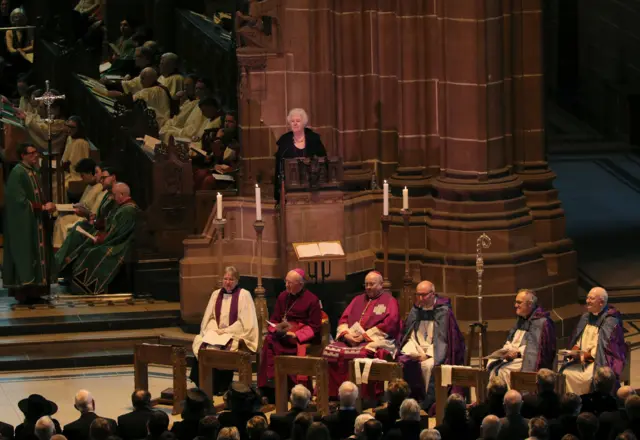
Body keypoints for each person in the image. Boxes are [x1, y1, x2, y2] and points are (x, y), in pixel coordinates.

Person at [323, 271, 400, 400]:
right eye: (366, 284)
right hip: (351, 338)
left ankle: (364, 396)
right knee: (329, 352)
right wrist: (346, 334)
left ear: (381, 285)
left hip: (375, 339)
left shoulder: (390, 301)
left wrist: (364, 336)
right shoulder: (357, 299)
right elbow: (344, 319)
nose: (368, 287)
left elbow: (390, 323)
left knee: (363, 354)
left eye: (372, 284)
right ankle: (333, 394)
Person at [55, 182, 138, 295]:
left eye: (114, 195)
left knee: (90, 252)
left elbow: (118, 234)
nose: (112, 198)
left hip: (120, 246)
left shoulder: (128, 210)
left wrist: (102, 239)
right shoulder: (122, 207)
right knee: (86, 244)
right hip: (114, 240)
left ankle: (85, 287)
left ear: (122, 194)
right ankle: (73, 281)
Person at [190, 266, 259, 393]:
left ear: (237, 281)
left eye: (231, 279)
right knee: (201, 342)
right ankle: (203, 383)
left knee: (224, 348)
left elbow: (245, 322)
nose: (227, 282)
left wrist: (227, 331)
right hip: (216, 333)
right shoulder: (216, 294)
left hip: (233, 334)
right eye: (225, 279)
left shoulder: (244, 295)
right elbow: (209, 317)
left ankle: (222, 384)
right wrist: (214, 330)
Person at [257, 269, 322, 403]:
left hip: (299, 336)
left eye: (290, 283)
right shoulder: (282, 296)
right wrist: (275, 328)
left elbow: (315, 326)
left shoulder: (312, 300)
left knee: (284, 346)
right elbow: (274, 318)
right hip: (282, 333)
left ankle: (292, 389)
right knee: (269, 340)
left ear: (301, 284)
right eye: (286, 282)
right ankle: (269, 387)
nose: (286, 285)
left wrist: (296, 334)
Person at [398, 281, 465, 410]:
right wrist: (414, 351)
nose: (420, 298)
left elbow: (444, 338)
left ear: (433, 294)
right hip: (417, 350)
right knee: (404, 362)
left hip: (435, 352)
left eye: (424, 295)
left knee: (428, 367)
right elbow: (409, 334)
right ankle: (409, 403)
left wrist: (427, 354)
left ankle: (428, 403)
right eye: (418, 295)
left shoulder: (443, 311)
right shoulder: (416, 310)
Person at [4, 143, 56, 303]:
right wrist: (40, 207)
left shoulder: (34, 171)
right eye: (32, 153)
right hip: (24, 223)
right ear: (23, 156)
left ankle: (36, 292)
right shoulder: (17, 173)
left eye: (36, 153)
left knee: (38, 251)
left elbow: (39, 195)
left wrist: (47, 205)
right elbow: (18, 201)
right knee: (25, 252)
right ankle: (25, 292)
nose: (36, 156)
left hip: (37, 220)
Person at [561, 287, 626, 395]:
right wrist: (573, 351)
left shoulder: (610, 321)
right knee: (565, 372)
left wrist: (583, 356)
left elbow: (607, 350)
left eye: (591, 299)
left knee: (586, 378)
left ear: (601, 302)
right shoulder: (585, 317)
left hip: (597, 360)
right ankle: (572, 403)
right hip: (583, 358)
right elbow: (577, 339)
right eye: (587, 298)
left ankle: (586, 405)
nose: (587, 301)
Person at [487, 289, 556, 387]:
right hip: (513, 358)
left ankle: (512, 400)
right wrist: (507, 351)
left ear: (530, 304)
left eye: (519, 303)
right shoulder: (521, 319)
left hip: (526, 360)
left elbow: (542, 351)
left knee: (503, 371)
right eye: (515, 302)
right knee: (492, 365)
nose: (515, 305)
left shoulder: (542, 323)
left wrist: (518, 353)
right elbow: (511, 340)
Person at [273, 108, 327, 203]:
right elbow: (278, 167)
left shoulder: (314, 139)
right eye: (292, 121)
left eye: (298, 121)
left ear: (304, 123)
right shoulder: (284, 142)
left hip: (312, 186)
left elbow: (324, 160)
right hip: (290, 188)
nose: (295, 123)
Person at [53, 159, 106, 249]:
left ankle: (64, 250)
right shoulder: (90, 185)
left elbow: (94, 213)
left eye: (83, 175)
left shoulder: (100, 187)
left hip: (88, 220)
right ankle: (59, 249)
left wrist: (84, 212)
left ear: (90, 173)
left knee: (63, 221)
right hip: (81, 215)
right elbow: (81, 204)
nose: (82, 178)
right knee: (61, 218)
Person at [193, 111, 239, 191]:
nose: (227, 124)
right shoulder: (225, 135)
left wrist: (218, 139)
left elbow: (224, 158)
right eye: (226, 121)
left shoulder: (236, 139)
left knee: (208, 180)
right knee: (199, 173)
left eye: (230, 122)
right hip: (218, 170)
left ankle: (204, 202)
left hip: (230, 175)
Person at [159, 78, 213, 143]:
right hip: (185, 131)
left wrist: (178, 131)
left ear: (208, 90)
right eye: (196, 88)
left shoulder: (207, 106)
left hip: (190, 136)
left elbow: (194, 130)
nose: (197, 91)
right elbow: (180, 120)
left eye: (200, 89)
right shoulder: (195, 103)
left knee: (166, 132)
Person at [61, 116, 91, 196]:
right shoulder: (70, 138)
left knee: (58, 185)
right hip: (67, 172)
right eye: (68, 126)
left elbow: (76, 166)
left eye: (72, 127)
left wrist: (62, 166)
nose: (69, 129)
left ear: (78, 128)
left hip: (76, 176)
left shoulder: (80, 143)